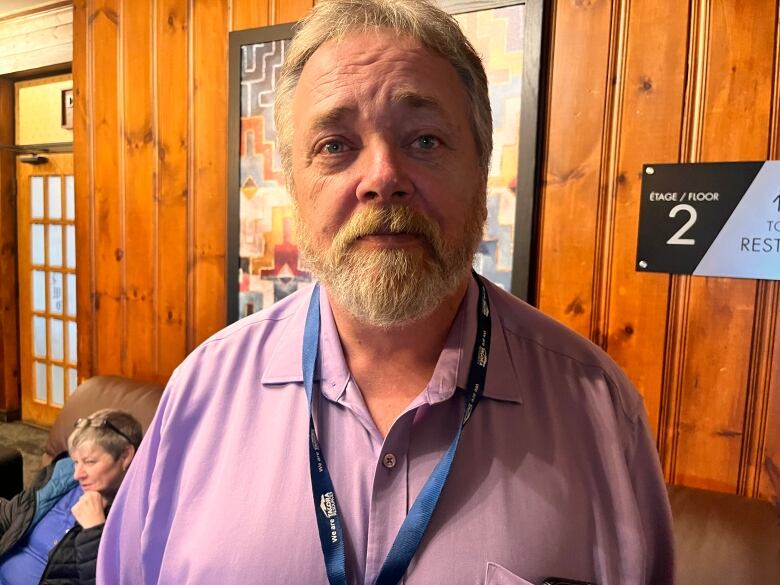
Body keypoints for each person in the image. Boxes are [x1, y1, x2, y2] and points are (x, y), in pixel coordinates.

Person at [98, 1, 674, 583]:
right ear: (294, 183)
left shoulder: (598, 408)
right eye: (334, 145)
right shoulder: (202, 392)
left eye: (424, 140)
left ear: (481, 167)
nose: (382, 178)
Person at [0, 409, 141, 585]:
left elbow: (107, 580)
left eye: (90, 462)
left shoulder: (136, 515)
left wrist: (94, 529)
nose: (78, 474)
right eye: (76, 461)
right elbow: (15, 513)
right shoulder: (62, 476)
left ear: (125, 456)